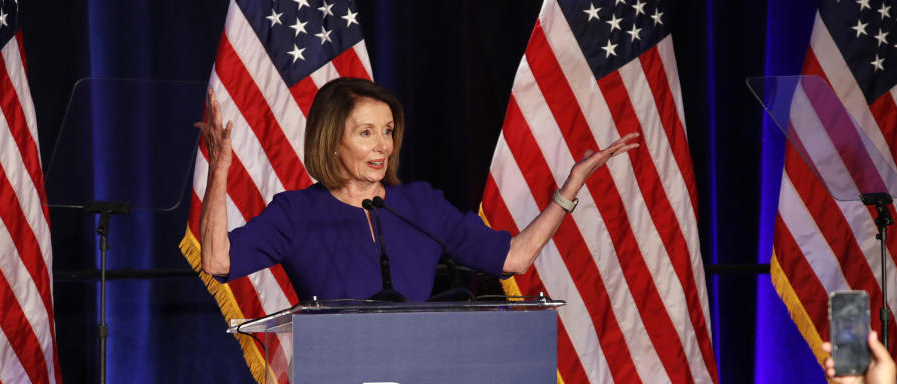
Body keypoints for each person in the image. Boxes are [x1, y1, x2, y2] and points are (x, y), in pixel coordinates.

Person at [197, 77, 638, 301]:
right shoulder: (295, 213)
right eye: (366, 133)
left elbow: (514, 258)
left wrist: (570, 188)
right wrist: (219, 172)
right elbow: (217, 262)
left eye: (387, 131)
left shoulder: (419, 204)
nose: (383, 145)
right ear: (332, 141)